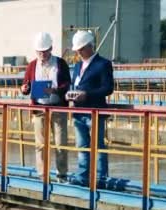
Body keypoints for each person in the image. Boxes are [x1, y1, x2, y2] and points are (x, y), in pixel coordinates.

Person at [21, 32, 71, 183]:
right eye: (39, 51)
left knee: (60, 143)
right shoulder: (32, 65)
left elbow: (67, 83)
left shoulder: (60, 63)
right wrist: (24, 89)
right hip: (40, 110)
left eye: (44, 51)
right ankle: (42, 175)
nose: (42, 54)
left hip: (58, 108)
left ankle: (62, 175)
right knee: (40, 145)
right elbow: (26, 85)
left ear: (51, 48)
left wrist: (55, 90)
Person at [67, 30, 114, 187]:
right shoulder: (78, 65)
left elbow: (108, 88)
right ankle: (83, 177)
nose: (79, 52)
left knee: (98, 145)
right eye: (77, 50)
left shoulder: (103, 64)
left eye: (81, 49)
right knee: (82, 146)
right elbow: (75, 84)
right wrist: (71, 94)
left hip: (95, 112)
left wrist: (86, 95)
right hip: (79, 112)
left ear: (90, 46)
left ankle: (101, 179)